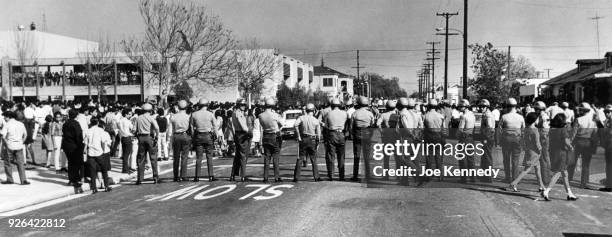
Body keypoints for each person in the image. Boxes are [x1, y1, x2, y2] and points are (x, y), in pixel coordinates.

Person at [542, 113, 578, 201]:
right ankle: (547, 191)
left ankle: (569, 193)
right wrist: (571, 147)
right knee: (559, 172)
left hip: (553, 152)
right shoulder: (563, 130)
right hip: (562, 153)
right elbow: (566, 142)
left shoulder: (552, 129)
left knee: (565, 174)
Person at [507, 112, 545, 192]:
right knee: (527, 169)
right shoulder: (535, 130)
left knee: (538, 169)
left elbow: (523, 140)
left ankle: (541, 186)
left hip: (528, 150)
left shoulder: (526, 129)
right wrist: (541, 150)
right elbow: (537, 143)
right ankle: (514, 183)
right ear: (534, 120)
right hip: (535, 152)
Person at [569, 102, 598, 189]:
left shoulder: (578, 119)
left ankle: (568, 178)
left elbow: (573, 134)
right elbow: (595, 135)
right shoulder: (593, 121)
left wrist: (569, 144)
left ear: (582, 110)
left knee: (572, 162)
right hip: (588, 142)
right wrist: (594, 146)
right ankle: (583, 183)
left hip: (578, 141)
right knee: (586, 164)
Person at [191, 98, 218, 182]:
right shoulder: (210, 114)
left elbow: (191, 126)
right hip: (208, 136)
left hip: (198, 136)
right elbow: (215, 125)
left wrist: (193, 136)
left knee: (199, 157)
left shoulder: (194, 114)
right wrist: (216, 135)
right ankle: (211, 176)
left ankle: (197, 176)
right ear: (207, 105)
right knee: (209, 156)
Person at [293, 103, 321, 182]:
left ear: (306, 110)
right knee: (313, 159)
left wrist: (298, 135)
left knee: (300, 158)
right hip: (312, 139)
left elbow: (295, 125)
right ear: (313, 110)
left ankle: (296, 177)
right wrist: (317, 143)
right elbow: (318, 134)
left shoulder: (301, 118)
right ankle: (316, 177)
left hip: (304, 138)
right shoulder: (316, 120)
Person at [499, 98, 525, 183]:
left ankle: (507, 177)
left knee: (506, 159)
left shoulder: (504, 117)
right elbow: (523, 130)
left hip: (506, 139)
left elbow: (499, 130)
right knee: (515, 160)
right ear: (515, 106)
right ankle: (515, 178)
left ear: (507, 106)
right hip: (517, 139)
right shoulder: (521, 117)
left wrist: (500, 139)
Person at [258, 98, 284, 183]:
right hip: (275, 135)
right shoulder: (275, 115)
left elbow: (262, 126)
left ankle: (265, 177)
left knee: (267, 157)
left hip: (266, 136)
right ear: (272, 106)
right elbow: (282, 124)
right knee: (276, 157)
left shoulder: (261, 115)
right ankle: (277, 177)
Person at [350, 96, 375, 181]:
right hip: (367, 135)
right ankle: (368, 175)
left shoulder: (355, 113)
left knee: (356, 156)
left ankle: (355, 176)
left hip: (357, 135)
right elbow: (373, 125)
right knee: (367, 157)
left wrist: (352, 134)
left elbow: (351, 126)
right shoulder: (370, 114)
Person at [1, 111, 30, 185]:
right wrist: (22, 142)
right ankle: (23, 180)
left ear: (8, 117)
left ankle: (10, 179)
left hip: (10, 145)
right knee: (20, 163)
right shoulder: (21, 124)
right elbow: (25, 135)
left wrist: (7, 143)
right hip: (19, 145)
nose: (4, 118)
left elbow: (3, 137)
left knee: (8, 163)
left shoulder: (7, 125)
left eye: (5, 117)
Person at [134, 103, 160, 185]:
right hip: (149, 137)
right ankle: (155, 177)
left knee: (141, 158)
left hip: (141, 137)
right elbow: (157, 128)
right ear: (151, 110)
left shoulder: (138, 118)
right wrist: (156, 136)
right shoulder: (151, 118)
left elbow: (134, 129)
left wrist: (137, 136)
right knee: (153, 158)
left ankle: (139, 178)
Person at [84, 118, 112, 193]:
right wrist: (103, 150)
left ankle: (94, 188)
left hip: (90, 153)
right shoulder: (100, 130)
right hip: (99, 152)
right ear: (97, 123)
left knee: (93, 171)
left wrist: (84, 152)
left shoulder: (88, 131)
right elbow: (103, 142)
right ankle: (106, 186)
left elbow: (86, 143)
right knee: (104, 170)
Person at [324, 98, 349, 181]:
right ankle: (341, 176)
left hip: (332, 134)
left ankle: (331, 175)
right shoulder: (345, 113)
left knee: (331, 156)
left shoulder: (328, 114)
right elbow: (347, 125)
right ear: (339, 105)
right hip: (341, 134)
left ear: (331, 105)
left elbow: (326, 126)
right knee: (341, 156)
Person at [62, 109, 84, 194]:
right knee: (76, 163)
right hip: (74, 146)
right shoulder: (76, 124)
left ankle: (71, 179)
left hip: (66, 145)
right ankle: (76, 180)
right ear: (76, 116)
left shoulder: (65, 123)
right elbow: (79, 136)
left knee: (70, 162)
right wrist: (81, 145)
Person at [423, 99, 445, 181]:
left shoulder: (425, 116)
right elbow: (444, 128)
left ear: (429, 106)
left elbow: (423, 127)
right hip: (438, 136)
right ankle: (440, 175)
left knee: (429, 157)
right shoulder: (441, 116)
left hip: (428, 136)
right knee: (438, 156)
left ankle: (428, 175)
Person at [230, 99, 251, 182]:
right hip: (242, 134)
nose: (243, 106)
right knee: (243, 156)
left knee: (237, 156)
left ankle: (233, 174)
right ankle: (243, 175)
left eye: (244, 105)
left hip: (237, 134)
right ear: (238, 105)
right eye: (242, 105)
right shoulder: (239, 113)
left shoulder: (234, 112)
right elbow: (243, 126)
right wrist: (249, 132)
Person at [170, 100, 191, 182]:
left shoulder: (173, 116)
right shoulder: (188, 116)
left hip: (176, 135)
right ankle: (183, 175)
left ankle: (175, 176)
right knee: (184, 156)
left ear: (178, 107)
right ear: (186, 107)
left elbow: (171, 129)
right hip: (185, 135)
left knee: (176, 157)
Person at [457, 99, 476, 183]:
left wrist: (457, 136)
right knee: (470, 158)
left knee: (462, 158)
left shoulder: (463, 116)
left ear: (465, 107)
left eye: (461, 106)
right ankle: (473, 178)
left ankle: (464, 178)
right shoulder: (472, 115)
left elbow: (460, 129)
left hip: (463, 138)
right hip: (471, 138)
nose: (460, 108)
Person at [478, 99, 496, 182]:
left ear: (487, 107)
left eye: (483, 107)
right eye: (480, 106)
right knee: (485, 156)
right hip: (487, 137)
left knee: (487, 157)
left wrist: (486, 138)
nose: (481, 108)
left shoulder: (487, 115)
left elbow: (489, 127)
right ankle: (485, 175)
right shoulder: (487, 114)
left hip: (487, 138)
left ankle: (488, 177)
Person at [534, 101, 551, 184]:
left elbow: (545, 130)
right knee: (545, 158)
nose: (535, 110)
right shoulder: (544, 116)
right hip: (545, 138)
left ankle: (545, 179)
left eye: (536, 109)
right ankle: (546, 178)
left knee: (543, 159)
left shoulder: (543, 117)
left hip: (543, 139)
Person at [118, 108, 135, 173]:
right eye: (129, 114)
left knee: (125, 154)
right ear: (126, 114)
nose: (130, 115)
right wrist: (132, 134)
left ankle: (125, 168)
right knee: (127, 154)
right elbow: (131, 128)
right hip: (128, 137)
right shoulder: (127, 121)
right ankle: (126, 169)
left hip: (123, 138)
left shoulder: (120, 120)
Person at [600, 104, 612, 192]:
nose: (606, 113)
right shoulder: (607, 121)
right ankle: (608, 185)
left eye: (609, 112)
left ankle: (609, 186)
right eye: (605, 112)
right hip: (608, 145)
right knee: (608, 166)